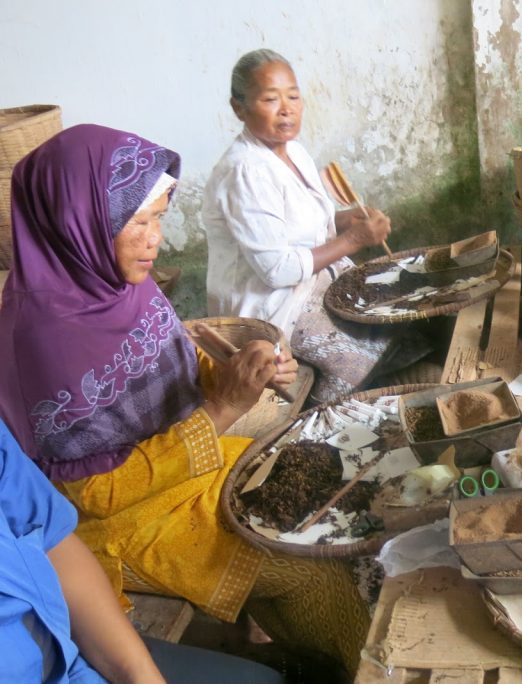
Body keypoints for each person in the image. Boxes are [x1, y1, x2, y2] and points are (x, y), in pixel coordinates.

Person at [0, 124, 368, 674]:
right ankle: (361, 666)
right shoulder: (44, 338)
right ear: (80, 224)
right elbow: (88, 499)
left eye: (160, 218)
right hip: (124, 522)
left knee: (328, 483)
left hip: (183, 470)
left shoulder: (117, 278)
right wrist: (221, 408)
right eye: (139, 221)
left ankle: (309, 655)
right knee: (306, 567)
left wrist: (242, 369)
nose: (156, 240)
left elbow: (171, 360)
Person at [204, 49, 424, 402]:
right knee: (361, 363)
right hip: (273, 305)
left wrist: (343, 221)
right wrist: (354, 239)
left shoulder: (294, 152)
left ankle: (375, 389)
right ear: (239, 108)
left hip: (312, 282)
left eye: (293, 96)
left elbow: (301, 229)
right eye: (270, 99)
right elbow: (277, 270)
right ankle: (312, 416)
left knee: (406, 319)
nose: (286, 108)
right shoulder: (244, 171)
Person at [0, 420, 283, 684]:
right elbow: (100, 494)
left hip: (69, 647)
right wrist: (223, 407)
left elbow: (52, 537)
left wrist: (141, 675)